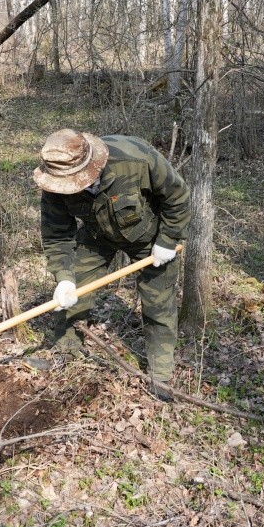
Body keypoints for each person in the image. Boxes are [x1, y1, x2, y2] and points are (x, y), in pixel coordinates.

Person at [33, 129, 189, 401]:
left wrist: (168, 239)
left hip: (149, 237)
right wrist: (64, 277)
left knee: (158, 304)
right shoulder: (54, 182)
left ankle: (161, 375)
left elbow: (177, 196)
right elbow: (57, 235)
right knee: (73, 291)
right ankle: (66, 352)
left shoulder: (135, 158)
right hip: (97, 235)